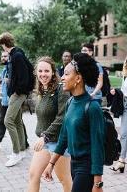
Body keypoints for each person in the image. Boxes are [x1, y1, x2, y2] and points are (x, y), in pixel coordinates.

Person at [42, 53, 105, 192]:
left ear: (78, 78)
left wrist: (98, 183)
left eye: (66, 74)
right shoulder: (70, 102)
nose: (62, 78)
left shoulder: (92, 107)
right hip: (74, 163)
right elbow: (64, 136)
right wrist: (51, 163)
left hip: (87, 167)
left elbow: (97, 146)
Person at [28, 56, 72, 192]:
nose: (43, 74)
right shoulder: (42, 90)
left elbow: (63, 117)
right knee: (33, 175)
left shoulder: (61, 89)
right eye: (40, 71)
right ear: (36, 72)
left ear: (53, 72)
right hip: (45, 142)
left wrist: (45, 136)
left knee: (65, 180)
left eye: (46, 71)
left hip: (58, 142)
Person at [0, 32, 30, 167]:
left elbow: (24, 76)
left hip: (18, 94)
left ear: (4, 44)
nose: (2, 49)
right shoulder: (16, 54)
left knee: (8, 120)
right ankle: (21, 151)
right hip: (16, 93)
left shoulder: (17, 56)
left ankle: (16, 153)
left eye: (2, 46)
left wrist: (17, 91)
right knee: (16, 121)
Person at [0, 51, 29, 151]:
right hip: (5, 100)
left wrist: (10, 81)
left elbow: (17, 80)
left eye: (5, 56)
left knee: (13, 121)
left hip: (12, 99)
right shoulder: (5, 69)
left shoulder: (11, 67)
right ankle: (23, 142)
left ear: (10, 57)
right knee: (11, 121)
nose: (3, 58)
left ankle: (21, 144)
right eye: (2, 56)